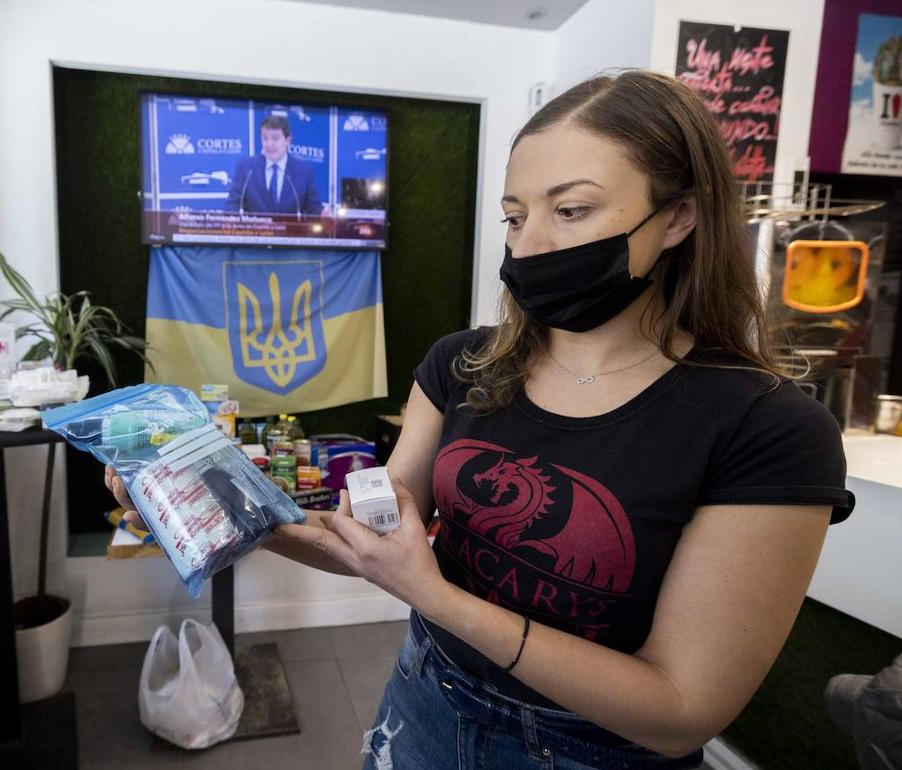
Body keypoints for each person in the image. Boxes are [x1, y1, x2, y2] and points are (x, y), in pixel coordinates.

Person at [109, 70, 855, 769]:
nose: (528, 245)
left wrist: (433, 596)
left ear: (680, 216)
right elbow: (367, 547)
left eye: (570, 211)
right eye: (513, 216)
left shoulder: (768, 429)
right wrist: (231, 509)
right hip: (422, 706)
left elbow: (681, 709)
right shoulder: (464, 365)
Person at [223, 114, 323, 216]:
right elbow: (232, 203)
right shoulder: (246, 168)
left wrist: (324, 214)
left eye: (275, 139)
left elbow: (314, 208)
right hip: (257, 231)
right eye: (265, 138)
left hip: (291, 231)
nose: (269, 144)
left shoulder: (304, 171)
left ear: (288, 140)